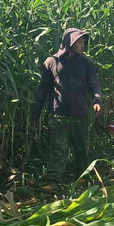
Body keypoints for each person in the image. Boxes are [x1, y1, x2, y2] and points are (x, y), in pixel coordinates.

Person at [31, 28, 103, 188]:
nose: (83, 44)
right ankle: (53, 181)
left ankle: (82, 178)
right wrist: (36, 113)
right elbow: (43, 89)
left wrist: (97, 100)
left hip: (81, 114)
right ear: (69, 42)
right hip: (58, 115)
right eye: (80, 41)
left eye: (84, 41)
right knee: (57, 149)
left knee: (82, 148)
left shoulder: (86, 63)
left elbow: (94, 84)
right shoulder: (52, 62)